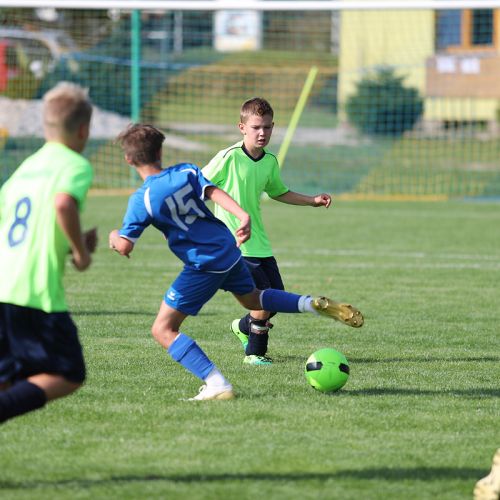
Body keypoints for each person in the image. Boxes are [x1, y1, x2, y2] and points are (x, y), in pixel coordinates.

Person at [109, 123, 363, 401]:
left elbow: (125, 246)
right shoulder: (185, 171)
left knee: (163, 329)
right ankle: (310, 303)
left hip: (203, 264)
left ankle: (216, 383)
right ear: (160, 151)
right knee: (253, 299)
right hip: (229, 250)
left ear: (129, 159)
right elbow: (212, 191)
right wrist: (243, 215)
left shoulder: (141, 200)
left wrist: (114, 236)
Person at [202, 96, 360, 366]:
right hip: (235, 244)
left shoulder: (269, 161)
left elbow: (278, 191)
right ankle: (254, 354)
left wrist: (311, 200)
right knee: (263, 299)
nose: (262, 133)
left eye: (267, 127)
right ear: (242, 127)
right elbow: (199, 184)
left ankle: (243, 327)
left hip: (260, 243)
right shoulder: (228, 157)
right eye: (255, 127)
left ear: (273, 127)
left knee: (275, 299)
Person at [0, 82, 97, 424]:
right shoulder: (74, 164)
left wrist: (71, 240)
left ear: (46, 126)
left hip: (4, 284)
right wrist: (81, 253)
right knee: (69, 372)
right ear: (83, 130)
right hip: (34, 291)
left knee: (8, 379)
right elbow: (62, 203)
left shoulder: (24, 168)